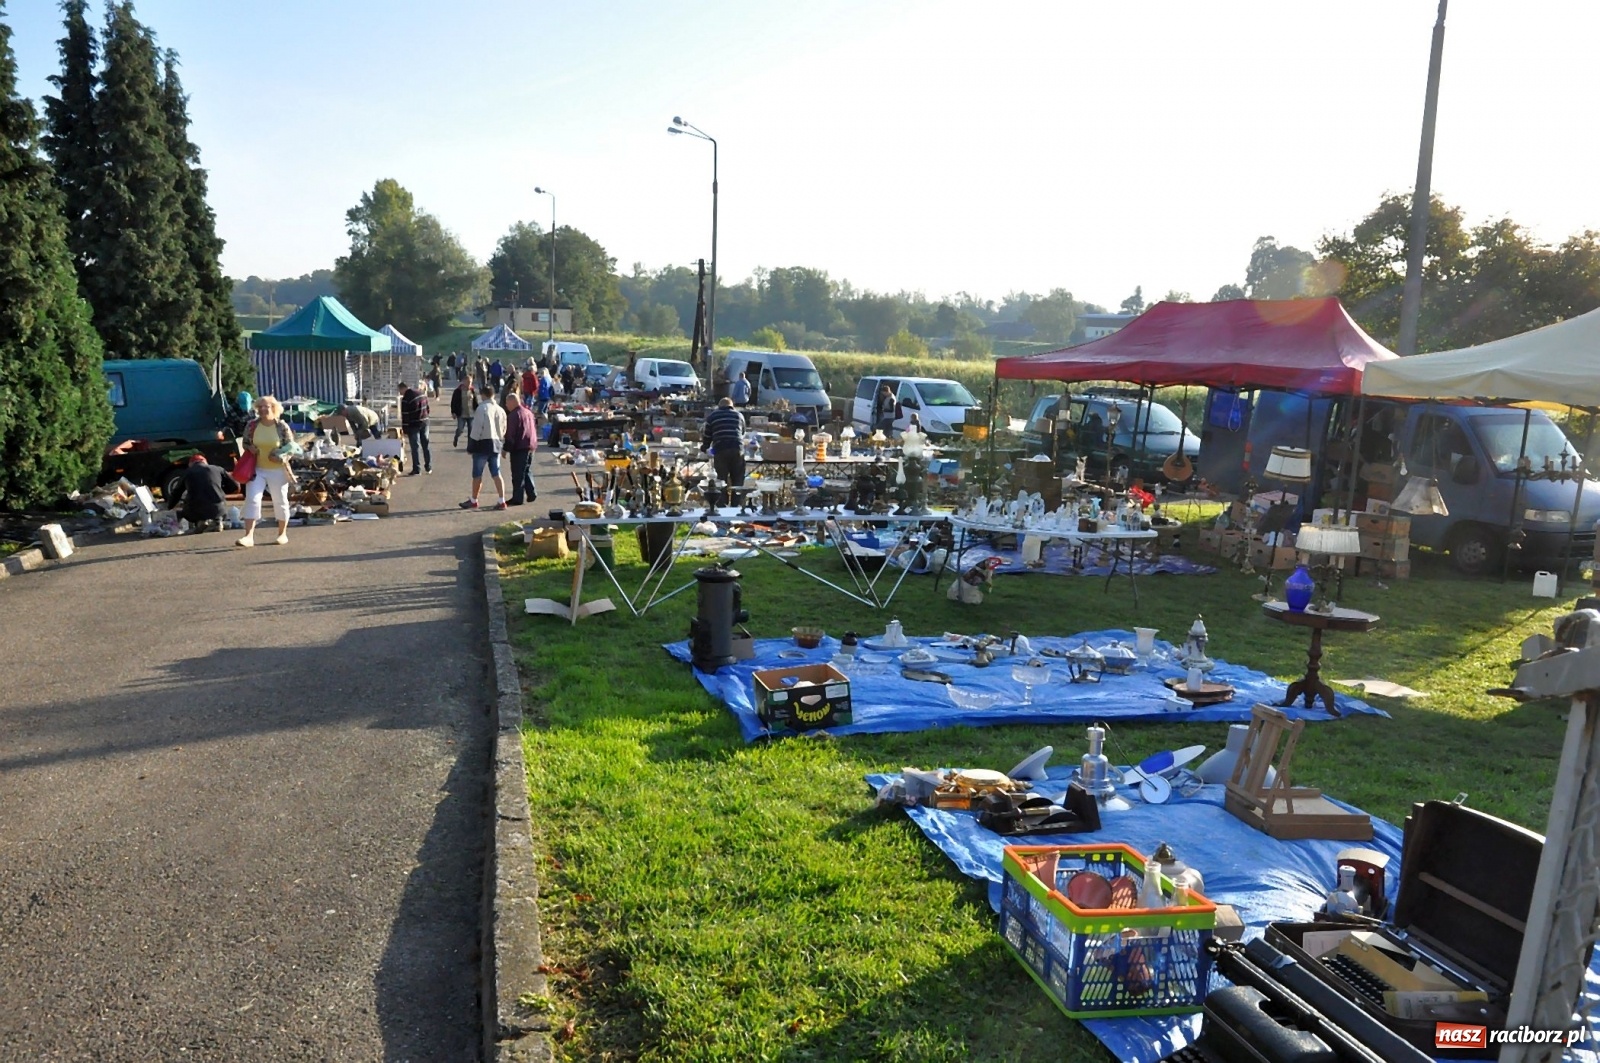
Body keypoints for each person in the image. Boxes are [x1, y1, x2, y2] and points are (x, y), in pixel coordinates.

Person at [237, 395, 299, 547]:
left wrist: (282, 457)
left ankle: (282, 534)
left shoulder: (281, 426)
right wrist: (250, 447)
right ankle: (248, 536)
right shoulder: (252, 425)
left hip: (277, 470)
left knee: (280, 501)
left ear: (274, 408)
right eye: (261, 407)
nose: (264, 409)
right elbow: (245, 443)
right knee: (252, 499)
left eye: (267, 406)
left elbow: (291, 447)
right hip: (256, 469)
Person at [461, 384, 508, 510]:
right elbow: (504, 428)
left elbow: (477, 429)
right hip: (496, 443)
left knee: (477, 474)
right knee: (496, 473)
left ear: (483, 395)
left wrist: (471, 446)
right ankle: (501, 499)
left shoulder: (482, 409)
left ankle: (474, 499)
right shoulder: (500, 410)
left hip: (482, 444)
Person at [172, 453, 228, 531]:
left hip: (194, 511)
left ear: (191, 464)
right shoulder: (218, 469)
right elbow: (234, 485)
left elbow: (177, 492)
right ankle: (217, 521)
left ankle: (200, 521)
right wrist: (221, 490)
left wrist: (170, 506)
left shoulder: (187, 472)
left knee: (186, 507)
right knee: (218, 503)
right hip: (219, 509)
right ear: (205, 462)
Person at [502, 391, 539, 506]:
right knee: (526, 470)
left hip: (519, 447)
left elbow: (510, 434)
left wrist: (505, 449)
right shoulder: (528, 412)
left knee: (518, 474)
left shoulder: (513, 415)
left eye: (507, 403)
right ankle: (531, 492)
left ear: (512, 402)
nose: (506, 406)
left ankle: (517, 498)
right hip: (530, 445)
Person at [703, 396, 747, 487]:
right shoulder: (739, 415)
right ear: (732, 406)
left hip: (720, 449)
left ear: (719, 406)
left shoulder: (712, 416)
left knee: (721, 480)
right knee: (738, 479)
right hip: (737, 448)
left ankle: (721, 500)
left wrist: (705, 448)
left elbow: (707, 436)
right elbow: (742, 433)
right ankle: (737, 499)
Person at [400, 380, 432, 475]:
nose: (400, 393)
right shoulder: (421, 393)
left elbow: (405, 416)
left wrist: (405, 430)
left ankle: (417, 469)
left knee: (415, 447)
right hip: (425, 422)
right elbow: (428, 408)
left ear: (403, 388)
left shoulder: (406, 399)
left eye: (400, 391)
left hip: (413, 425)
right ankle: (428, 466)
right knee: (425, 444)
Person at [451, 377, 476, 447]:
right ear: (463, 382)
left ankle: (469, 446)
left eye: (471, 382)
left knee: (471, 431)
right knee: (460, 429)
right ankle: (456, 437)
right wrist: (453, 412)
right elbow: (453, 402)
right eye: (468, 382)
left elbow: (475, 402)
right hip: (461, 414)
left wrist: (477, 410)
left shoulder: (472, 390)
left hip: (471, 414)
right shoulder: (457, 391)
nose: (469, 384)